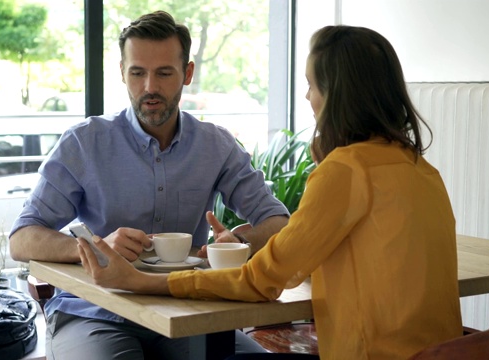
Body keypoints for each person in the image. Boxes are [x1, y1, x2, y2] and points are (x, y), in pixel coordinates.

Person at [77, 25, 464, 359]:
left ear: (338, 95)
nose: (309, 99)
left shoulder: (345, 171)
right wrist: (247, 246)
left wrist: (143, 281)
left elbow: (263, 280)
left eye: (312, 86)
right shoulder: (421, 169)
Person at [8, 10, 289, 360]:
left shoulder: (215, 146)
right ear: (122, 73)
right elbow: (22, 238)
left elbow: (279, 223)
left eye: (164, 73)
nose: (150, 88)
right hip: (94, 312)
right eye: (138, 73)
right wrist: (97, 247)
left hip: (188, 310)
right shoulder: (85, 142)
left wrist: (240, 243)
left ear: (187, 74)